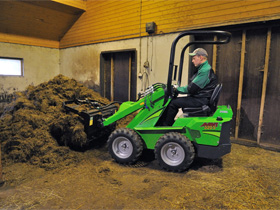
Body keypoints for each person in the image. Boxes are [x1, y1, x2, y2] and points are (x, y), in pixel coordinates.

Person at [162, 48, 218, 126]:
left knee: (172, 103)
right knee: (174, 101)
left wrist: (176, 89)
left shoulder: (204, 71)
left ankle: (166, 127)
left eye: (194, 58)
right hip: (200, 98)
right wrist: (177, 89)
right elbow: (192, 87)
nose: (192, 60)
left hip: (201, 100)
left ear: (201, 57)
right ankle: (168, 124)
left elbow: (191, 89)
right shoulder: (203, 69)